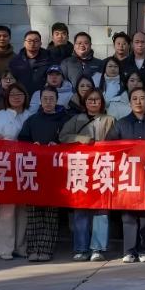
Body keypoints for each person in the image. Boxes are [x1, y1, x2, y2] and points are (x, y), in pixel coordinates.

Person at [59, 88, 117, 262]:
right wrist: (81, 139)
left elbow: (117, 142)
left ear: (102, 102)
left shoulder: (109, 120)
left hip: (102, 168)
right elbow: (63, 137)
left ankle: (97, 248)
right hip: (81, 169)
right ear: (84, 102)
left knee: (101, 209)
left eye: (97, 99)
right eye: (90, 100)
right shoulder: (76, 119)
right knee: (81, 209)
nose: (93, 102)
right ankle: (81, 248)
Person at [18, 87, 69, 262]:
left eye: (51, 98)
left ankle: (46, 249)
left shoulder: (65, 119)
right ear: (40, 100)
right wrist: (32, 145)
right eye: (45, 98)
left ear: (57, 100)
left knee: (50, 213)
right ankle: (33, 249)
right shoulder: (32, 120)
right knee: (33, 212)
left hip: (56, 171)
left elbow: (71, 141)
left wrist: (59, 145)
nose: (48, 102)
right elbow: (22, 140)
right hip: (34, 170)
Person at [115, 88, 145, 263]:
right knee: (128, 214)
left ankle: (143, 250)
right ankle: (129, 251)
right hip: (127, 175)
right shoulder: (121, 123)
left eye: (142, 98)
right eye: (134, 98)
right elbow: (110, 148)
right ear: (129, 103)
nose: (138, 102)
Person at [0, 82, 32, 259]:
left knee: (24, 208)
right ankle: (4, 248)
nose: (16, 97)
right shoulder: (0, 116)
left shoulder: (30, 115)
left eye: (19, 94)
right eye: (12, 94)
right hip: (5, 165)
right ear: (7, 97)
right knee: (6, 208)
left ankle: (21, 246)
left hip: (27, 165)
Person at [9, 30, 52, 95]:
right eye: (29, 41)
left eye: (36, 41)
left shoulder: (49, 60)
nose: (32, 43)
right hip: (21, 96)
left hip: (43, 97)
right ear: (24, 43)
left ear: (40, 43)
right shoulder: (15, 61)